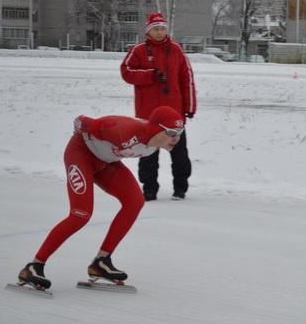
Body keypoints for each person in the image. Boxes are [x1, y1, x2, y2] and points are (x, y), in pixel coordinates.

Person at [17, 106, 186, 290]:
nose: (176, 138)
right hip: (81, 154)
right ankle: (34, 266)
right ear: (157, 129)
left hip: (106, 163)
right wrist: (81, 123)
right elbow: (86, 122)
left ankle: (101, 262)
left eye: (180, 132)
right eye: (171, 132)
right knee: (80, 214)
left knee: (135, 202)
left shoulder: (154, 146)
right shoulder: (122, 130)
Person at [121, 13, 196, 201]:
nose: (160, 32)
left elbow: (187, 79)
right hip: (149, 115)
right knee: (148, 154)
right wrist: (150, 75)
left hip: (174, 113)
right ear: (148, 31)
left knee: (179, 154)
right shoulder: (138, 51)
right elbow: (126, 72)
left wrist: (190, 106)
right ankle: (149, 188)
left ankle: (180, 187)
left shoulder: (177, 50)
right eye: (156, 29)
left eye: (162, 28)